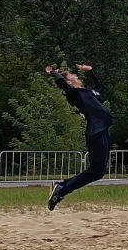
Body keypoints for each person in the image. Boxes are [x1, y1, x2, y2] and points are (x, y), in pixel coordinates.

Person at [44, 63, 117, 210]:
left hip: (102, 130)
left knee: (98, 171)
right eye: (72, 75)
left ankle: (62, 186)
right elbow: (61, 82)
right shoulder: (75, 94)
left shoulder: (88, 92)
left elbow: (101, 87)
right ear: (69, 83)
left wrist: (90, 71)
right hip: (96, 131)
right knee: (96, 171)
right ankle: (61, 191)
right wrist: (54, 72)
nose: (76, 76)